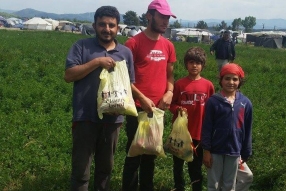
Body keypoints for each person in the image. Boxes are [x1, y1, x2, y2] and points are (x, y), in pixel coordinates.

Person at [64, 6, 135, 191]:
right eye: (102, 24)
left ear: (118, 28)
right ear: (95, 26)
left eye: (111, 25)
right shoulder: (81, 46)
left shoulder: (126, 53)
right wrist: (97, 62)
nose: (107, 29)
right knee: (81, 170)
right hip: (85, 117)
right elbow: (69, 75)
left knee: (105, 169)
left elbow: (129, 85)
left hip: (113, 120)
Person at [121, 0, 177, 190]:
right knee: (134, 154)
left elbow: (170, 75)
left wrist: (169, 92)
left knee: (150, 154)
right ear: (149, 16)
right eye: (161, 17)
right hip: (137, 109)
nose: (165, 21)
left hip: (157, 110)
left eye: (167, 18)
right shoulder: (133, 43)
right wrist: (142, 98)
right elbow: (123, 78)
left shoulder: (168, 46)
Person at [169, 47, 215, 191]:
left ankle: (197, 187)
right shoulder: (180, 84)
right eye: (191, 62)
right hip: (180, 133)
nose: (194, 66)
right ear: (186, 64)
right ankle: (179, 187)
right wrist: (177, 109)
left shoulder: (208, 86)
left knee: (195, 166)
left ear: (203, 65)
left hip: (198, 133)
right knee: (178, 165)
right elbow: (172, 103)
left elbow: (212, 107)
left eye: (198, 63)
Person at [201, 63, 253, 191]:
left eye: (235, 79)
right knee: (214, 184)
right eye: (227, 78)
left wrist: (246, 151)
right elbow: (207, 127)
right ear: (221, 80)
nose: (231, 82)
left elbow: (247, 129)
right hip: (215, 150)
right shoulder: (213, 102)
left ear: (240, 81)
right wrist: (206, 150)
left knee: (230, 185)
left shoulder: (245, 103)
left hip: (234, 150)